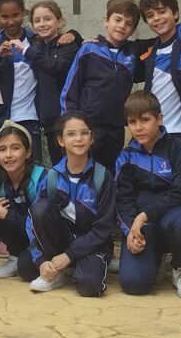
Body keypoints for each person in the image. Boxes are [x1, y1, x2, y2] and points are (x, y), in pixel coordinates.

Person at [0, 0, 77, 174]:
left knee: (31, 175)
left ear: (23, 14)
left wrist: (73, 34)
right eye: (5, 17)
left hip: (29, 120)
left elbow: (59, 52)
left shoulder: (36, 41)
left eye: (15, 15)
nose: (11, 21)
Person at [115, 91, 181, 298]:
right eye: (132, 122)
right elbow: (122, 200)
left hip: (172, 220)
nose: (139, 127)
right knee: (135, 285)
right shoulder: (126, 157)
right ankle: (157, 258)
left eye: (145, 120)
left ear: (159, 119)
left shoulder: (178, 149)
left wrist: (144, 215)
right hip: (144, 229)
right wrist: (130, 233)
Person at [24, 112, 116, 297]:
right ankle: (53, 271)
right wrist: (41, 260)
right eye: (71, 134)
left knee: (89, 286)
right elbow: (33, 220)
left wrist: (69, 256)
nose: (78, 139)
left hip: (92, 245)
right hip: (60, 243)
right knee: (40, 209)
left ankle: (74, 266)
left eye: (84, 133)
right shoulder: (52, 178)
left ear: (92, 138)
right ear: (60, 140)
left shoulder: (102, 177)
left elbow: (103, 229)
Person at [60, 0, 141, 173]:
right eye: (117, 20)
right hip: (89, 126)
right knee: (85, 172)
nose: (121, 26)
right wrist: (71, 123)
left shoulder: (132, 54)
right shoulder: (89, 50)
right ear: (106, 20)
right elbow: (70, 90)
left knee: (110, 175)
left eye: (128, 24)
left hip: (116, 128)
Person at [0, 121, 47, 279]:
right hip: (27, 240)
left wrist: (4, 214)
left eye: (15, 148)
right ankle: (14, 255)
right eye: (2, 149)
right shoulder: (1, 181)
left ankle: (58, 263)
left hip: (49, 240)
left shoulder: (42, 179)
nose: (8, 155)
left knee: (27, 270)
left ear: (28, 152)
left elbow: (43, 225)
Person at [136, 0, 181, 147]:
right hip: (151, 129)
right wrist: (75, 35)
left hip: (179, 129)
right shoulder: (149, 49)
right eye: (150, 16)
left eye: (162, 12)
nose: (156, 18)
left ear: (176, 13)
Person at [27, 0, 81, 165]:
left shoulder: (69, 46)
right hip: (47, 123)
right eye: (37, 21)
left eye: (48, 19)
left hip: (66, 120)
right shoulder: (36, 45)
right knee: (58, 169)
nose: (42, 24)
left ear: (60, 22)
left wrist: (74, 35)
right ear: (32, 25)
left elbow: (56, 67)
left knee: (73, 166)